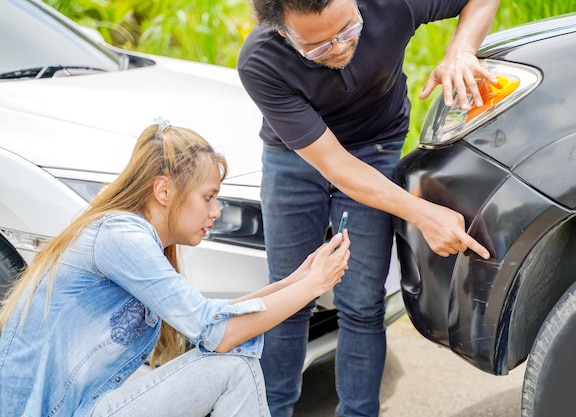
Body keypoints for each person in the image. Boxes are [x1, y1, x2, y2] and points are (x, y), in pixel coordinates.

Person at [237, 0, 499, 415]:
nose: (339, 49)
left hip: (375, 145)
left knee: (361, 302)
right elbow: (337, 167)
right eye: (318, 48)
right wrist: (423, 214)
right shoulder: (260, 60)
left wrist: (461, 50)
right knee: (289, 296)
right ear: (284, 34)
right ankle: (268, 410)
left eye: (347, 30)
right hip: (295, 158)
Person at [0, 120, 350, 417]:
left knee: (233, 365)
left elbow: (211, 318)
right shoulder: (121, 236)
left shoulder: (134, 237)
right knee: (233, 368)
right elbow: (219, 334)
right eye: (208, 197)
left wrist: (298, 280)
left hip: (83, 406)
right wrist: (311, 287)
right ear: (164, 191)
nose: (215, 212)